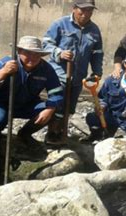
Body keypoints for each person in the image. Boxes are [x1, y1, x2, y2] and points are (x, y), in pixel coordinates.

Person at [43, 0, 103, 144]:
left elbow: (97, 53)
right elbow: (46, 44)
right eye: (82, 10)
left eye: (89, 10)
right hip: (58, 75)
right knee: (57, 105)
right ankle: (52, 133)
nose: (85, 13)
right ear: (74, 8)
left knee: (69, 108)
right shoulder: (60, 24)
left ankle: (62, 132)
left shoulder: (94, 30)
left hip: (77, 76)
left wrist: (96, 72)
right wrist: (59, 53)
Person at [0, 36, 63, 143]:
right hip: (1, 104)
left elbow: (56, 92)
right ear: (19, 51)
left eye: (36, 54)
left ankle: (24, 134)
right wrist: (3, 72)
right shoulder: (7, 62)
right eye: (28, 53)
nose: (32, 57)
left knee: (53, 111)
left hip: (28, 105)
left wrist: (50, 109)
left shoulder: (46, 68)